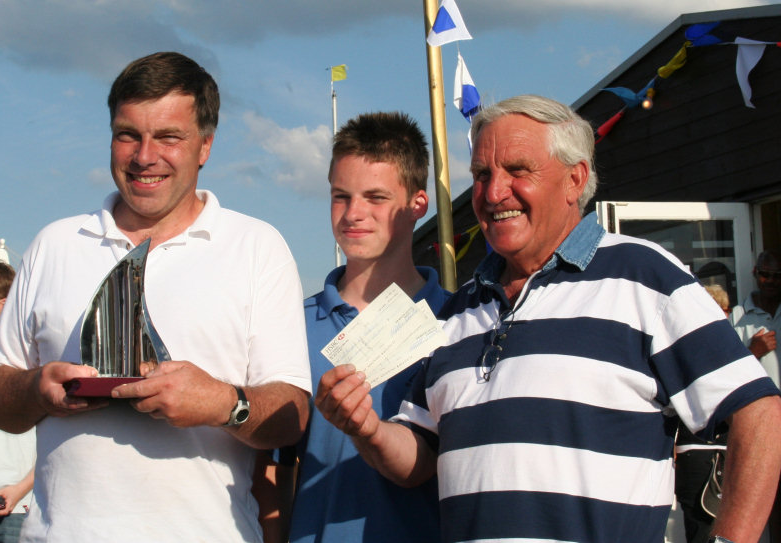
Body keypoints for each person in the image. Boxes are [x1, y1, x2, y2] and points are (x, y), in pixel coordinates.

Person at [315, 95, 781, 543]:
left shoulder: (644, 276)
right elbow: (420, 459)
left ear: (575, 179)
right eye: (481, 174)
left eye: (517, 170)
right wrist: (368, 429)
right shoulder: (457, 313)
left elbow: (760, 415)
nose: (494, 192)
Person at [0, 52, 311, 543]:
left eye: (168, 137)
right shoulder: (54, 244)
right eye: (127, 134)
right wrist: (37, 390)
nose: (144, 156)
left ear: (205, 146)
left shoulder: (256, 247)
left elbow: (292, 414)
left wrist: (222, 403)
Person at [254, 112, 450, 543]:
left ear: (419, 203)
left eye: (375, 197)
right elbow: (273, 466)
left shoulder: (456, 322)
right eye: (340, 196)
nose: (353, 214)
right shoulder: (292, 323)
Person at [0, 257, 35, 543]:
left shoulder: (31, 360)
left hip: (18, 511)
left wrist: (19, 490)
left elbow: (58, 438)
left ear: (4, 305)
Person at [673, 284, 730, 543]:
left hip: (723, 453)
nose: (723, 316)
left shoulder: (727, 347)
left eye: (726, 310)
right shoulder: (692, 348)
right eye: (718, 309)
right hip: (699, 455)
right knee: (702, 530)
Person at [730, 250, 781, 387]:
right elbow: (726, 372)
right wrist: (753, 351)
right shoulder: (737, 316)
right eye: (765, 274)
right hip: (761, 405)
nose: (770, 280)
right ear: (755, 272)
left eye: (777, 275)